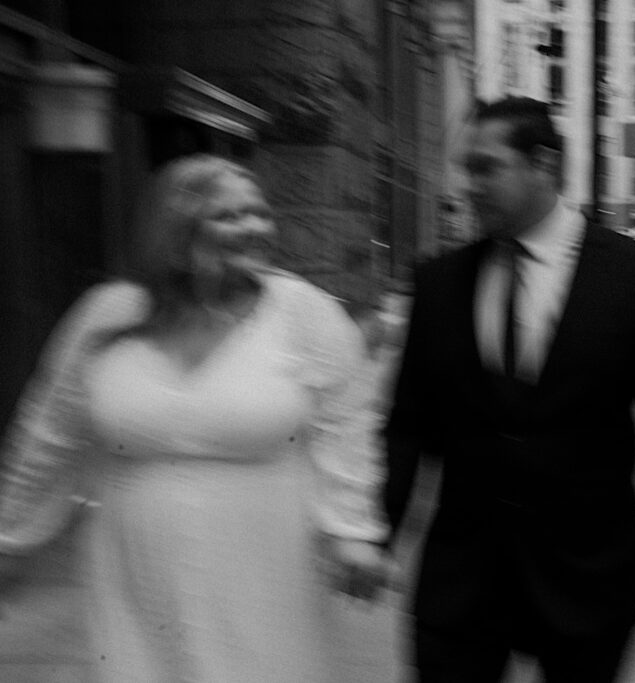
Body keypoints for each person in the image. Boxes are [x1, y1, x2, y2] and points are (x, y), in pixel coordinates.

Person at [0, 154, 388, 682]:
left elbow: (345, 423)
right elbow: (49, 432)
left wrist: (352, 531)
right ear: (176, 228)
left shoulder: (303, 310)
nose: (255, 228)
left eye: (260, 213)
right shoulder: (108, 313)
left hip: (264, 557)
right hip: (136, 560)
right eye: (230, 216)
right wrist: (13, 536)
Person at [382, 96, 635, 682]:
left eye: (485, 167)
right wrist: (375, 534)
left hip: (590, 580)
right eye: (466, 168)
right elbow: (407, 424)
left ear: (543, 165)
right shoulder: (439, 282)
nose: (468, 185)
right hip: (462, 585)